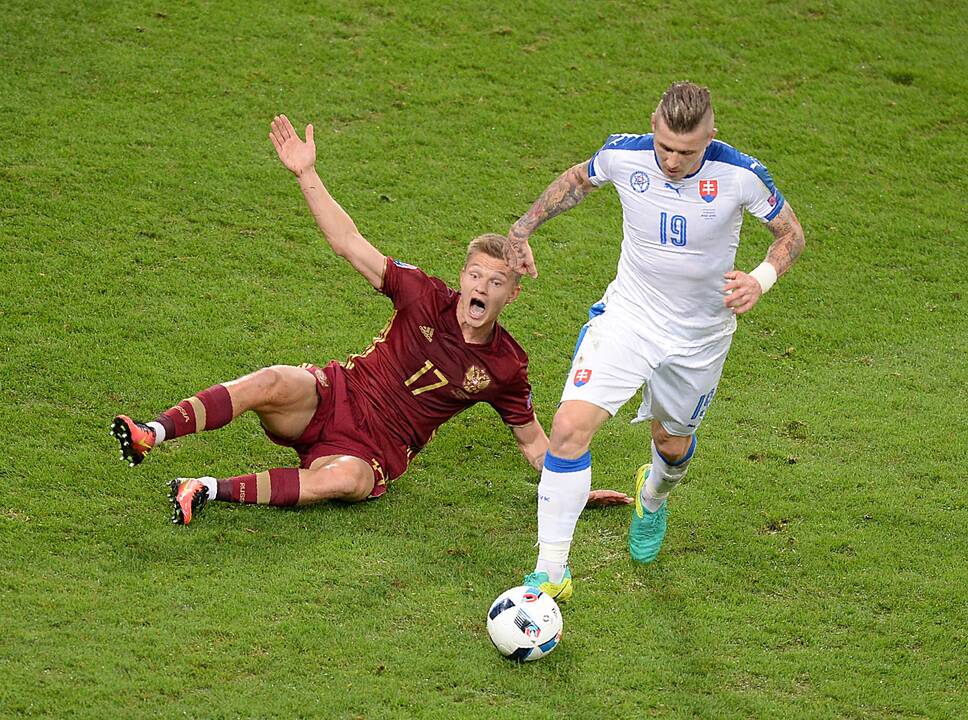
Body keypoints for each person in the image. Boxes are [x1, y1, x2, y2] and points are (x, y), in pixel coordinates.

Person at [112, 114, 630, 525]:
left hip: (375, 449)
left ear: (511, 296)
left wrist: (571, 492)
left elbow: (534, 444)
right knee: (270, 380)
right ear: (463, 275)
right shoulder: (422, 294)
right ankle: (151, 433)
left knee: (342, 483)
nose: (480, 288)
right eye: (475, 275)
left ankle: (203, 488)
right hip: (335, 394)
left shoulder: (505, 367)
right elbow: (348, 242)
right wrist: (307, 174)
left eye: (496, 283)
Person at [506, 82, 806, 601]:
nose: (671, 160)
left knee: (671, 445)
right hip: (629, 318)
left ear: (710, 136)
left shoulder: (741, 175)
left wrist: (761, 278)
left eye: (686, 152)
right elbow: (578, 179)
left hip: (699, 339)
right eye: (665, 145)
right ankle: (551, 571)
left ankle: (653, 498)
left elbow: (792, 235)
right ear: (653, 125)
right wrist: (521, 231)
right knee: (569, 425)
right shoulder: (625, 155)